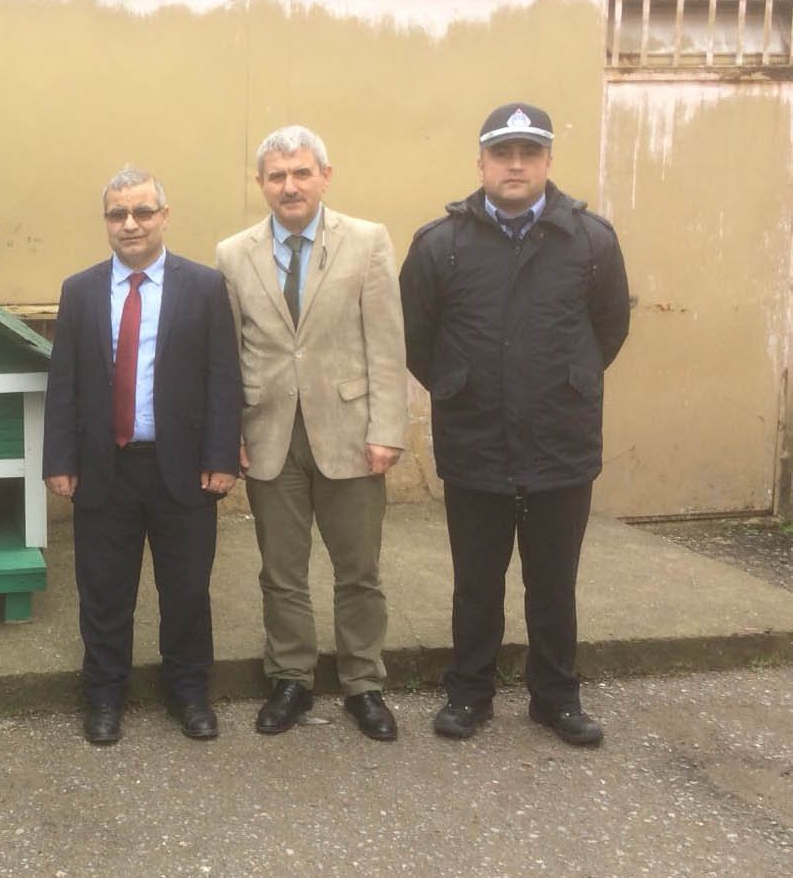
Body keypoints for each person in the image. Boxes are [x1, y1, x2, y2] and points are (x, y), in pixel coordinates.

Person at [399, 102, 630, 747]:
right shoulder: (439, 245)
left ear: (549, 162)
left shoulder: (590, 241)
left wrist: (561, 384)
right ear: (481, 164)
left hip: (562, 441)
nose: (517, 165)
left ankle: (556, 697)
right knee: (476, 579)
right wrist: (467, 390)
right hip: (475, 440)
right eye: (504, 154)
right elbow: (419, 343)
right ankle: (469, 694)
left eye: (530, 153)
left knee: (554, 581)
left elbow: (608, 332)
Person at [215, 125, 407, 742]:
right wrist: (229, 433)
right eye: (277, 175)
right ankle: (291, 677)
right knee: (281, 570)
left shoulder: (367, 241)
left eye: (301, 173)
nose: (289, 185)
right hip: (268, 432)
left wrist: (388, 429)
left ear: (326, 175)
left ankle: (363, 683)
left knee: (358, 569)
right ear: (261, 184)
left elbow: (385, 341)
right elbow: (227, 353)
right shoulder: (232, 254)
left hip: (350, 432)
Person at [43, 168, 242, 745]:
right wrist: (60, 459)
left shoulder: (203, 287)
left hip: (184, 470)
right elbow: (65, 385)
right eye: (117, 214)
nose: (129, 224)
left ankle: (188, 693)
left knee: (186, 590)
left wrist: (222, 455)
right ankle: (105, 696)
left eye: (141, 212)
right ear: (106, 221)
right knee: (103, 591)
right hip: (105, 470)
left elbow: (223, 378)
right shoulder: (80, 290)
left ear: (164, 215)